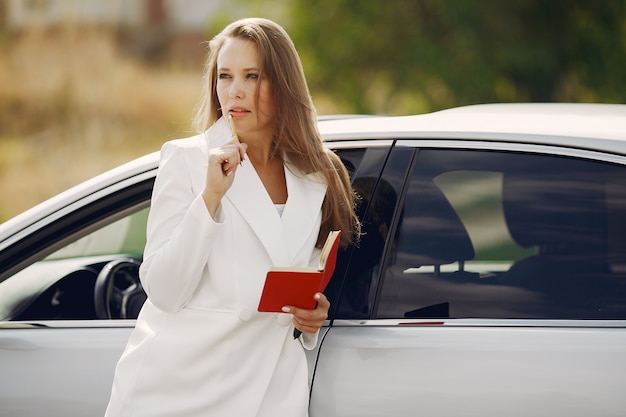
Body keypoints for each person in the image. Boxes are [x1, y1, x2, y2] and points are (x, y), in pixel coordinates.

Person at [104, 17, 360, 417]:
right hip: (183, 391)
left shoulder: (315, 175)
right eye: (225, 76)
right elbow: (164, 289)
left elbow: (298, 278)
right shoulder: (188, 160)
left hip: (272, 389)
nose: (234, 91)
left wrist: (312, 315)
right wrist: (210, 197)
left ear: (283, 84)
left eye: (252, 75)